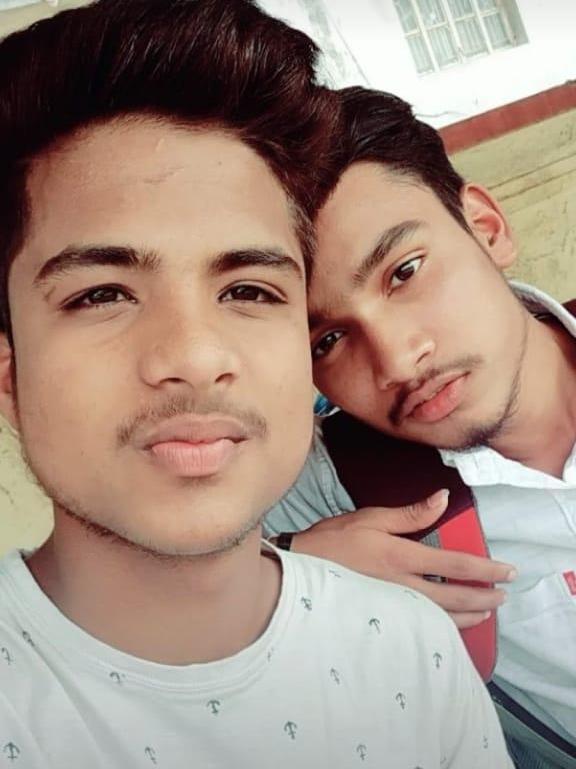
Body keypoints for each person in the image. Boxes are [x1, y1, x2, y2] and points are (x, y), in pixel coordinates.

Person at [0, 3, 511, 767]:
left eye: (249, 291)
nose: (196, 355)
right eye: (101, 293)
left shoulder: (417, 649)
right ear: (10, 375)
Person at [266, 86, 576, 765]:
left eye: (404, 272)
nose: (397, 361)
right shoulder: (335, 490)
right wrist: (289, 574)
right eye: (327, 340)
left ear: (486, 228)